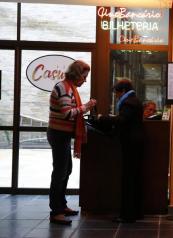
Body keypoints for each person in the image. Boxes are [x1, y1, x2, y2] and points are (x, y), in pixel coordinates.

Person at [47, 60, 97, 225]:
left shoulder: (69, 87)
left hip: (63, 135)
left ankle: (61, 206)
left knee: (65, 170)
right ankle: (56, 211)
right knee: (60, 172)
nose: (85, 80)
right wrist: (87, 106)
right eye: (84, 76)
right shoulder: (63, 88)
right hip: (59, 134)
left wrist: (84, 107)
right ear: (76, 75)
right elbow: (67, 114)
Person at [98, 79, 145, 223]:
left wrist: (103, 118)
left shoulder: (128, 102)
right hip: (136, 142)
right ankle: (135, 212)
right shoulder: (134, 100)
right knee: (134, 177)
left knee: (129, 178)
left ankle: (127, 215)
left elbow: (122, 120)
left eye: (117, 93)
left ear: (123, 91)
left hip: (131, 143)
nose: (116, 96)